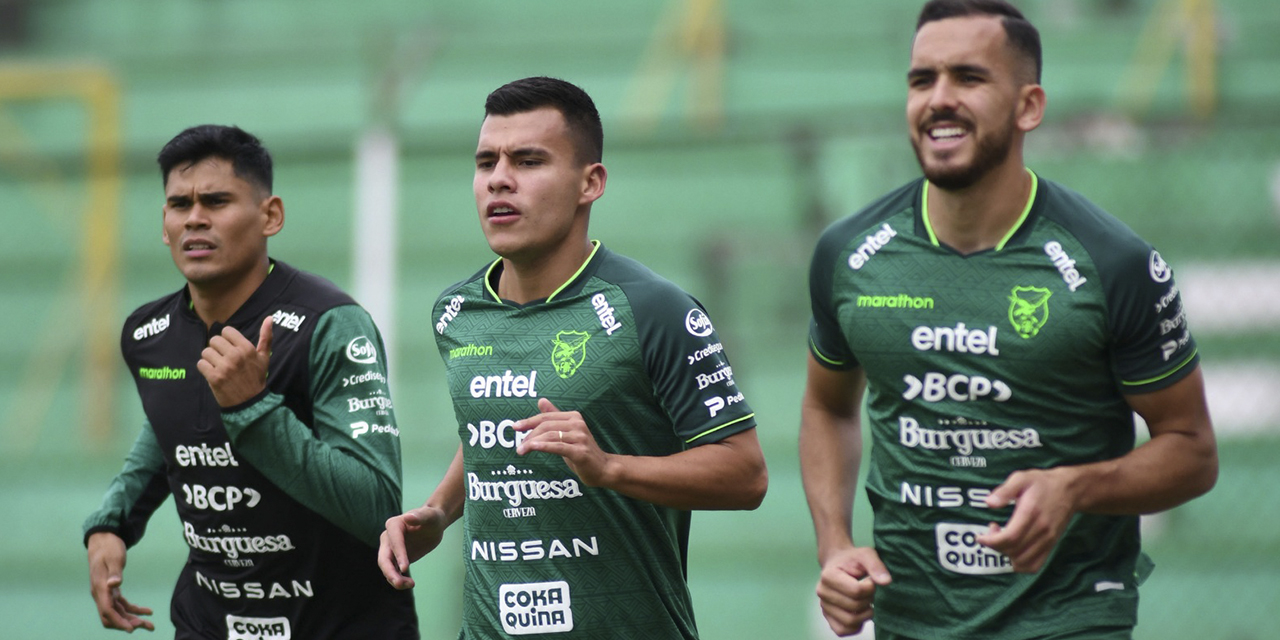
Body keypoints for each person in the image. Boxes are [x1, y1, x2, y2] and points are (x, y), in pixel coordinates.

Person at [799, 1, 1218, 638]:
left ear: (1029, 106)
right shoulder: (848, 253)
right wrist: (834, 545)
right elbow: (827, 408)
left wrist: (1073, 488)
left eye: (968, 78)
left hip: (1070, 617)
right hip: (909, 618)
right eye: (922, 80)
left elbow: (1192, 453)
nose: (939, 99)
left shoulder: (1112, 262)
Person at [378, 76, 768, 639]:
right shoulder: (455, 312)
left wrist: (608, 467)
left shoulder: (652, 309)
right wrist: (439, 510)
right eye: (486, 163)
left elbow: (746, 474)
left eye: (529, 161)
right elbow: (491, 428)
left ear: (591, 182)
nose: (499, 181)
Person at [83, 124, 418, 638]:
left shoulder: (329, 323)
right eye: (179, 204)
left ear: (270, 216)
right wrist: (113, 522)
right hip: (209, 623)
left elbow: (376, 505)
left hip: (339, 625)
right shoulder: (147, 333)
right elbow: (170, 427)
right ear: (164, 224)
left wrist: (253, 408)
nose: (195, 218)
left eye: (216, 201)